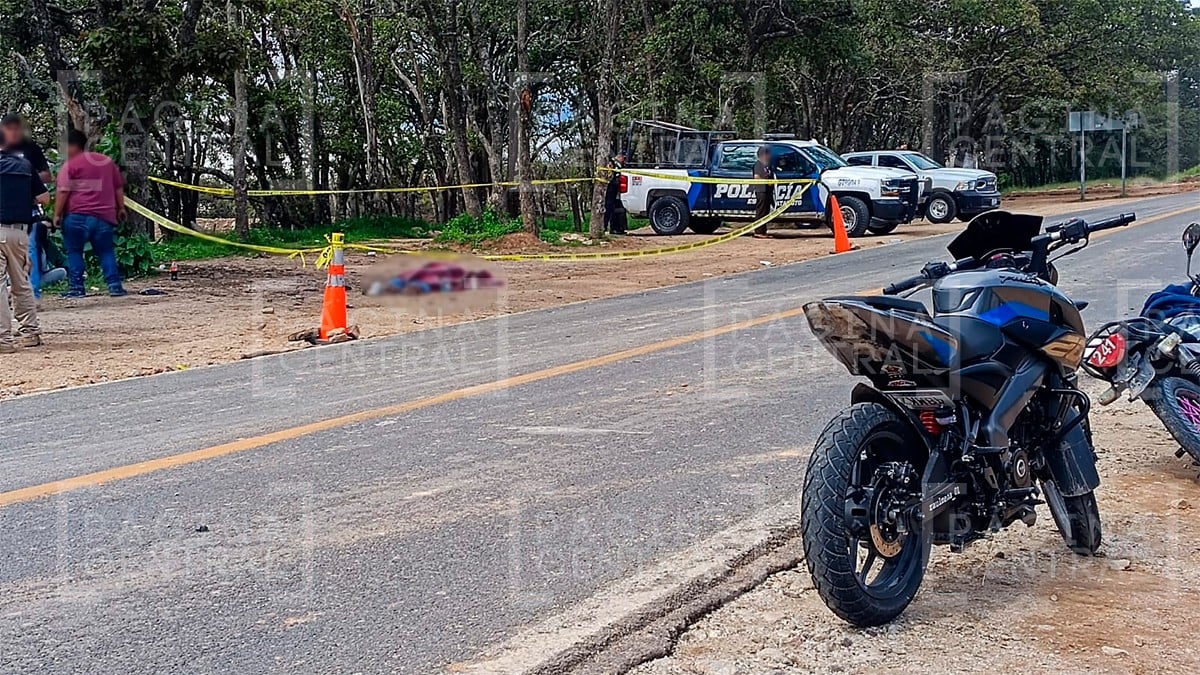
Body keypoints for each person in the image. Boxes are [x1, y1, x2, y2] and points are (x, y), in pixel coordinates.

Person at [55, 129, 127, 297]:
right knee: (106, 251)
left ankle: (77, 288)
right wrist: (121, 208)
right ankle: (115, 286)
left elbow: (63, 190)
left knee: (74, 251)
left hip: (77, 217)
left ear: (73, 146)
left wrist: (57, 215)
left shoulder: (70, 165)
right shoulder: (106, 162)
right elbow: (118, 187)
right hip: (104, 217)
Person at [0, 138, 49, 352]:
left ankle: (3, 340)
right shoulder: (25, 166)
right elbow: (44, 198)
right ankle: (30, 333)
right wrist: (23, 199)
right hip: (20, 233)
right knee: (21, 282)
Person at [752, 145, 774, 238]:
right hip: (761, 191)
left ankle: (763, 231)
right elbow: (756, 177)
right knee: (761, 211)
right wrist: (766, 181)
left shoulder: (767, 166)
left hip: (767, 191)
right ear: (762, 155)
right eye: (767, 154)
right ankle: (758, 231)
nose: (769, 157)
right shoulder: (758, 165)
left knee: (766, 211)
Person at [603, 153, 627, 235]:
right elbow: (610, 177)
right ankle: (605, 227)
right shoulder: (612, 163)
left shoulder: (619, 165)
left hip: (617, 192)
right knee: (609, 209)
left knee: (618, 210)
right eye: (623, 158)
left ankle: (618, 228)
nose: (624, 160)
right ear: (619, 157)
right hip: (611, 190)